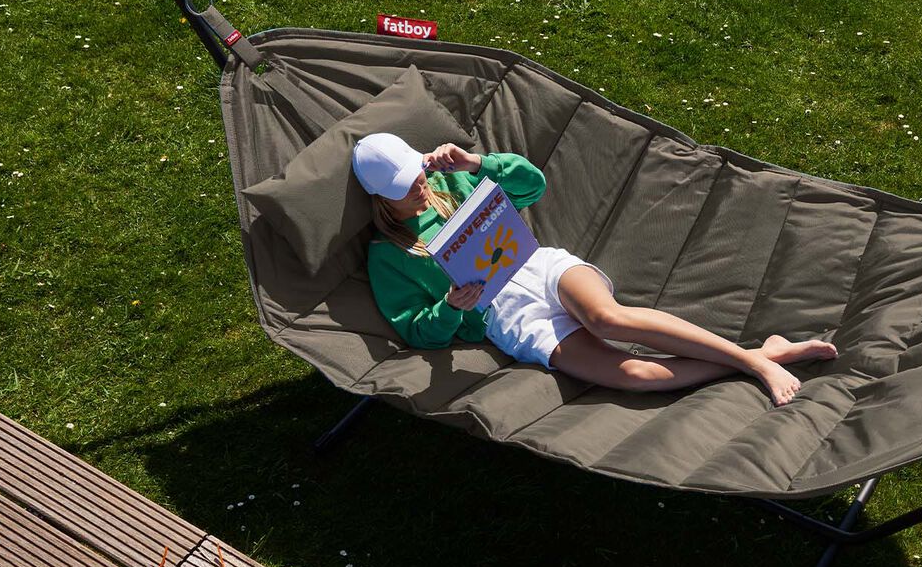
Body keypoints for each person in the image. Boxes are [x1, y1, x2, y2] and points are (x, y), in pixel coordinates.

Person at [354, 133, 837, 407]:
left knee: (608, 319)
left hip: (537, 266)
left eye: (417, 173)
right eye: (404, 187)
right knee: (636, 374)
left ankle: (755, 364)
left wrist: (477, 162)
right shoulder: (387, 255)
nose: (419, 186)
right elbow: (418, 332)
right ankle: (764, 354)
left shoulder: (453, 180)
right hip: (509, 316)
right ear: (379, 198)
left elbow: (531, 187)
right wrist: (450, 308)